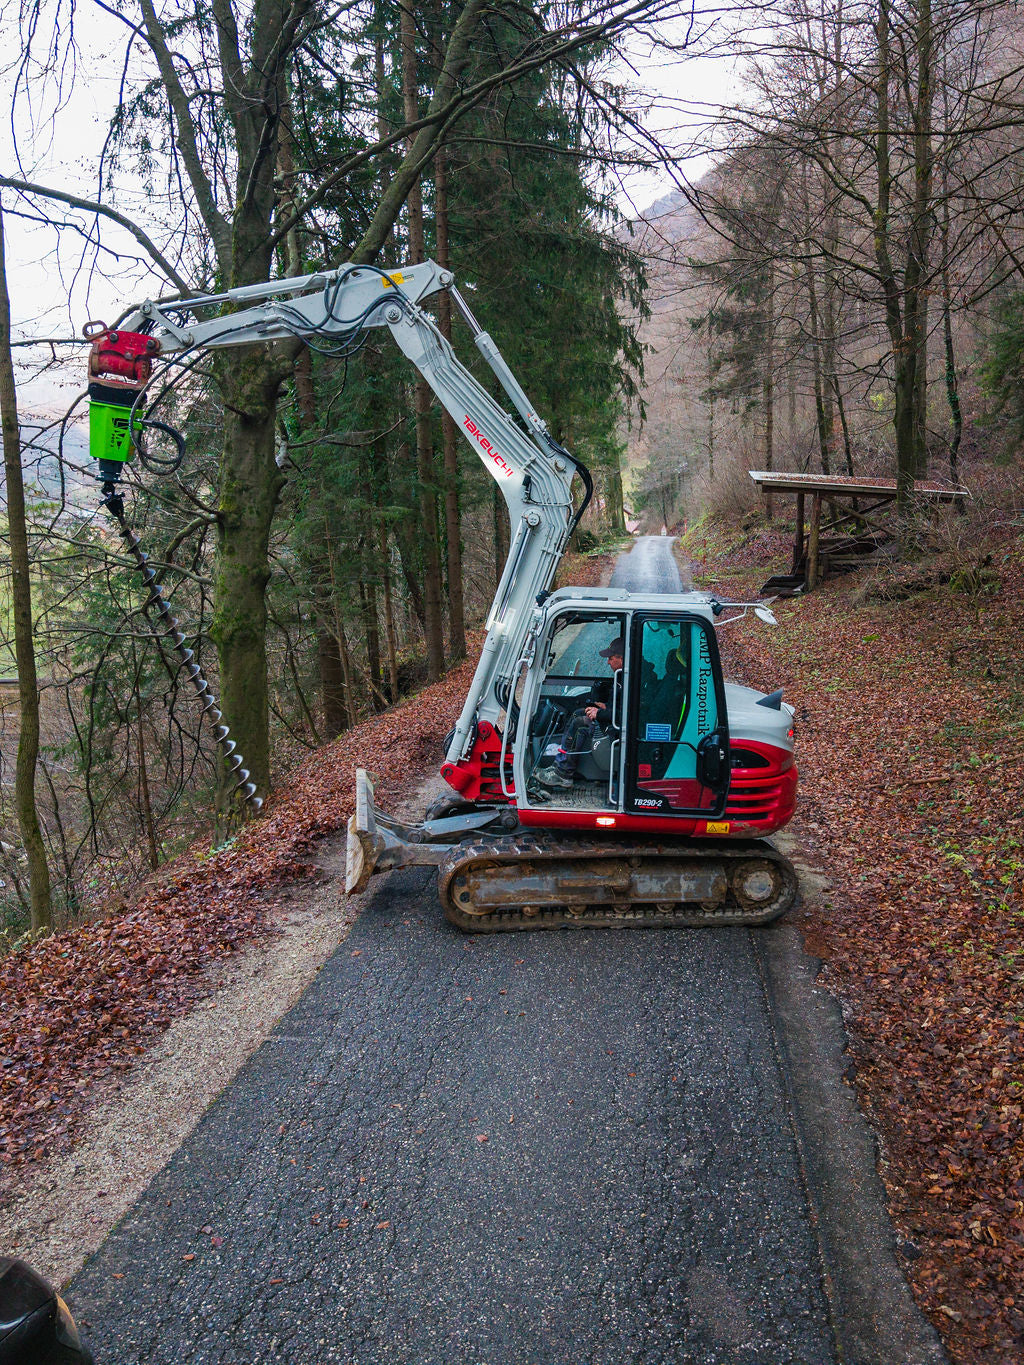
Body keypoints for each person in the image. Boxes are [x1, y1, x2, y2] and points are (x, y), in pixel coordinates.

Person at [537, 638, 623, 788]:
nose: (608, 662)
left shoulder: (631, 679)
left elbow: (628, 715)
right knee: (578, 713)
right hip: (613, 720)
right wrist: (605, 707)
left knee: (580, 724)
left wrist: (601, 714)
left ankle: (563, 773)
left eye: (611, 658)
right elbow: (620, 705)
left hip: (617, 729)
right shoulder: (622, 676)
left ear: (621, 658)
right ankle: (559, 765)